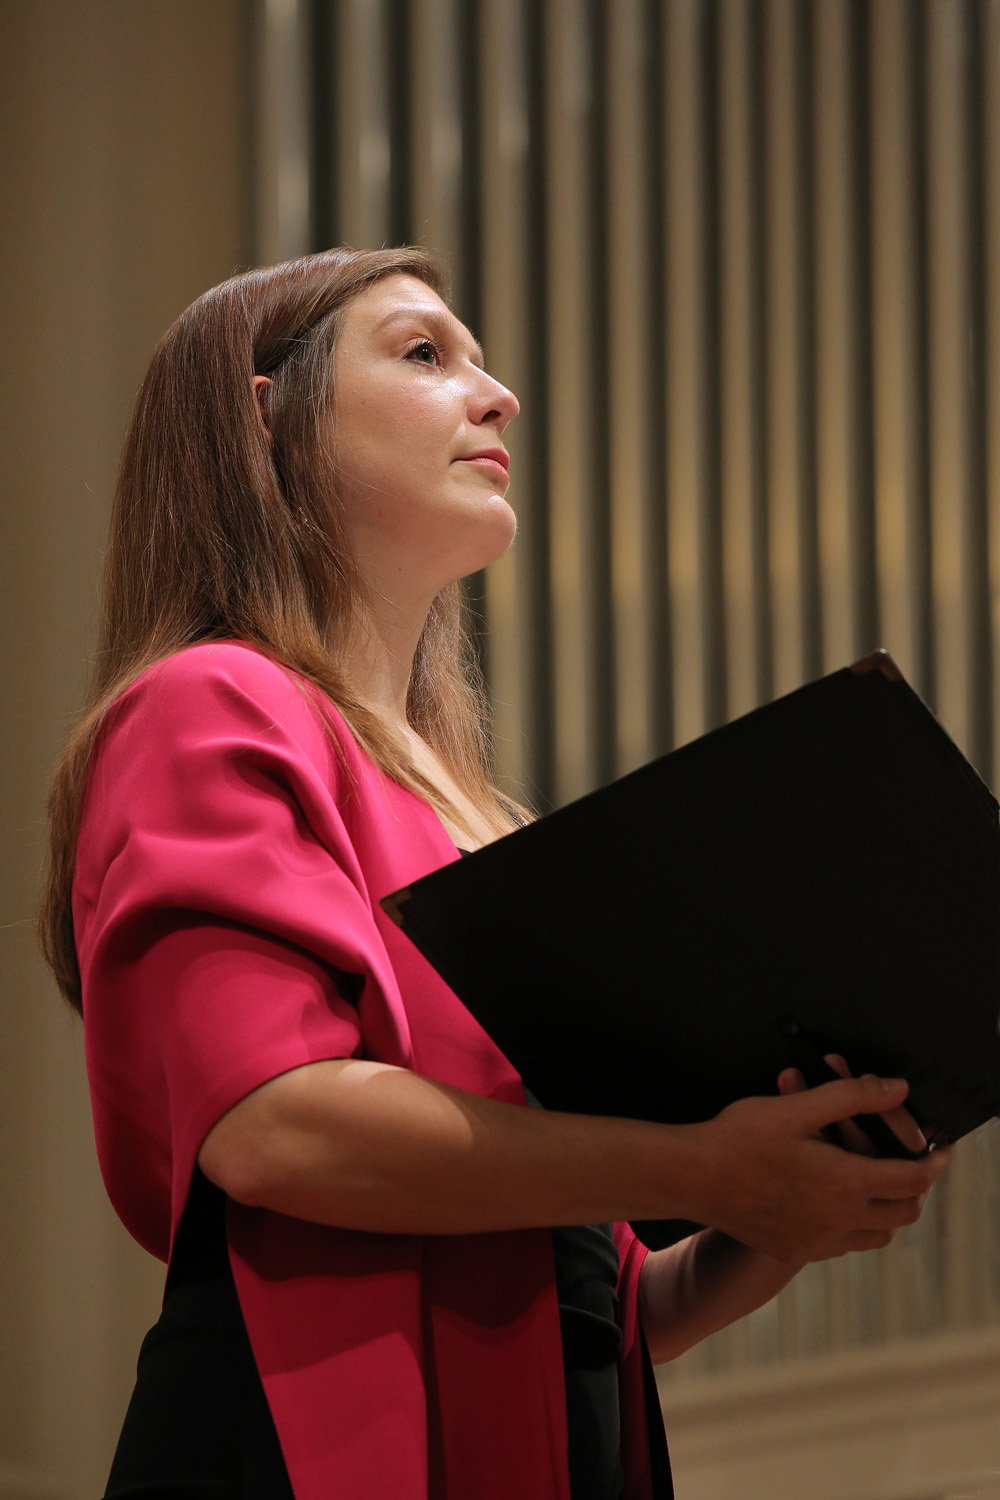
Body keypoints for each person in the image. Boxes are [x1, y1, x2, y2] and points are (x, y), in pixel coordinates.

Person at [39, 246, 948, 1500]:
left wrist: (776, 1212)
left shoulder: (484, 817)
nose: (499, 392)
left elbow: (602, 1299)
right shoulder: (212, 702)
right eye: (425, 354)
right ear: (266, 418)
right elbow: (273, 1128)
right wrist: (692, 1166)